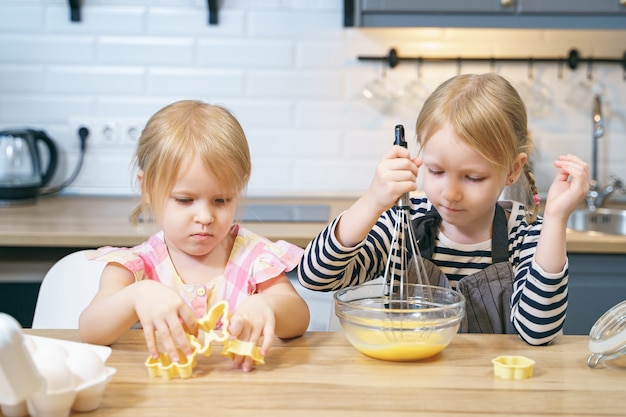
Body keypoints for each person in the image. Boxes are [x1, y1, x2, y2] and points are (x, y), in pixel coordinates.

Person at [298, 73, 589, 346]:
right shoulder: (405, 222)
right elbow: (315, 277)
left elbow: (538, 331)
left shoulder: (525, 235)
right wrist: (373, 200)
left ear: (512, 170)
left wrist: (555, 218)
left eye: (473, 178)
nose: (450, 193)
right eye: (436, 171)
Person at [79, 100, 310, 371]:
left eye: (221, 200)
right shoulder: (136, 267)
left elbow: (299, 317)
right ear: (148, 189)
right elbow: (90, 330)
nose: (205, 217)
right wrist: (136, 296)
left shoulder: (254, 257)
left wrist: (267, 306)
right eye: (185, 200)